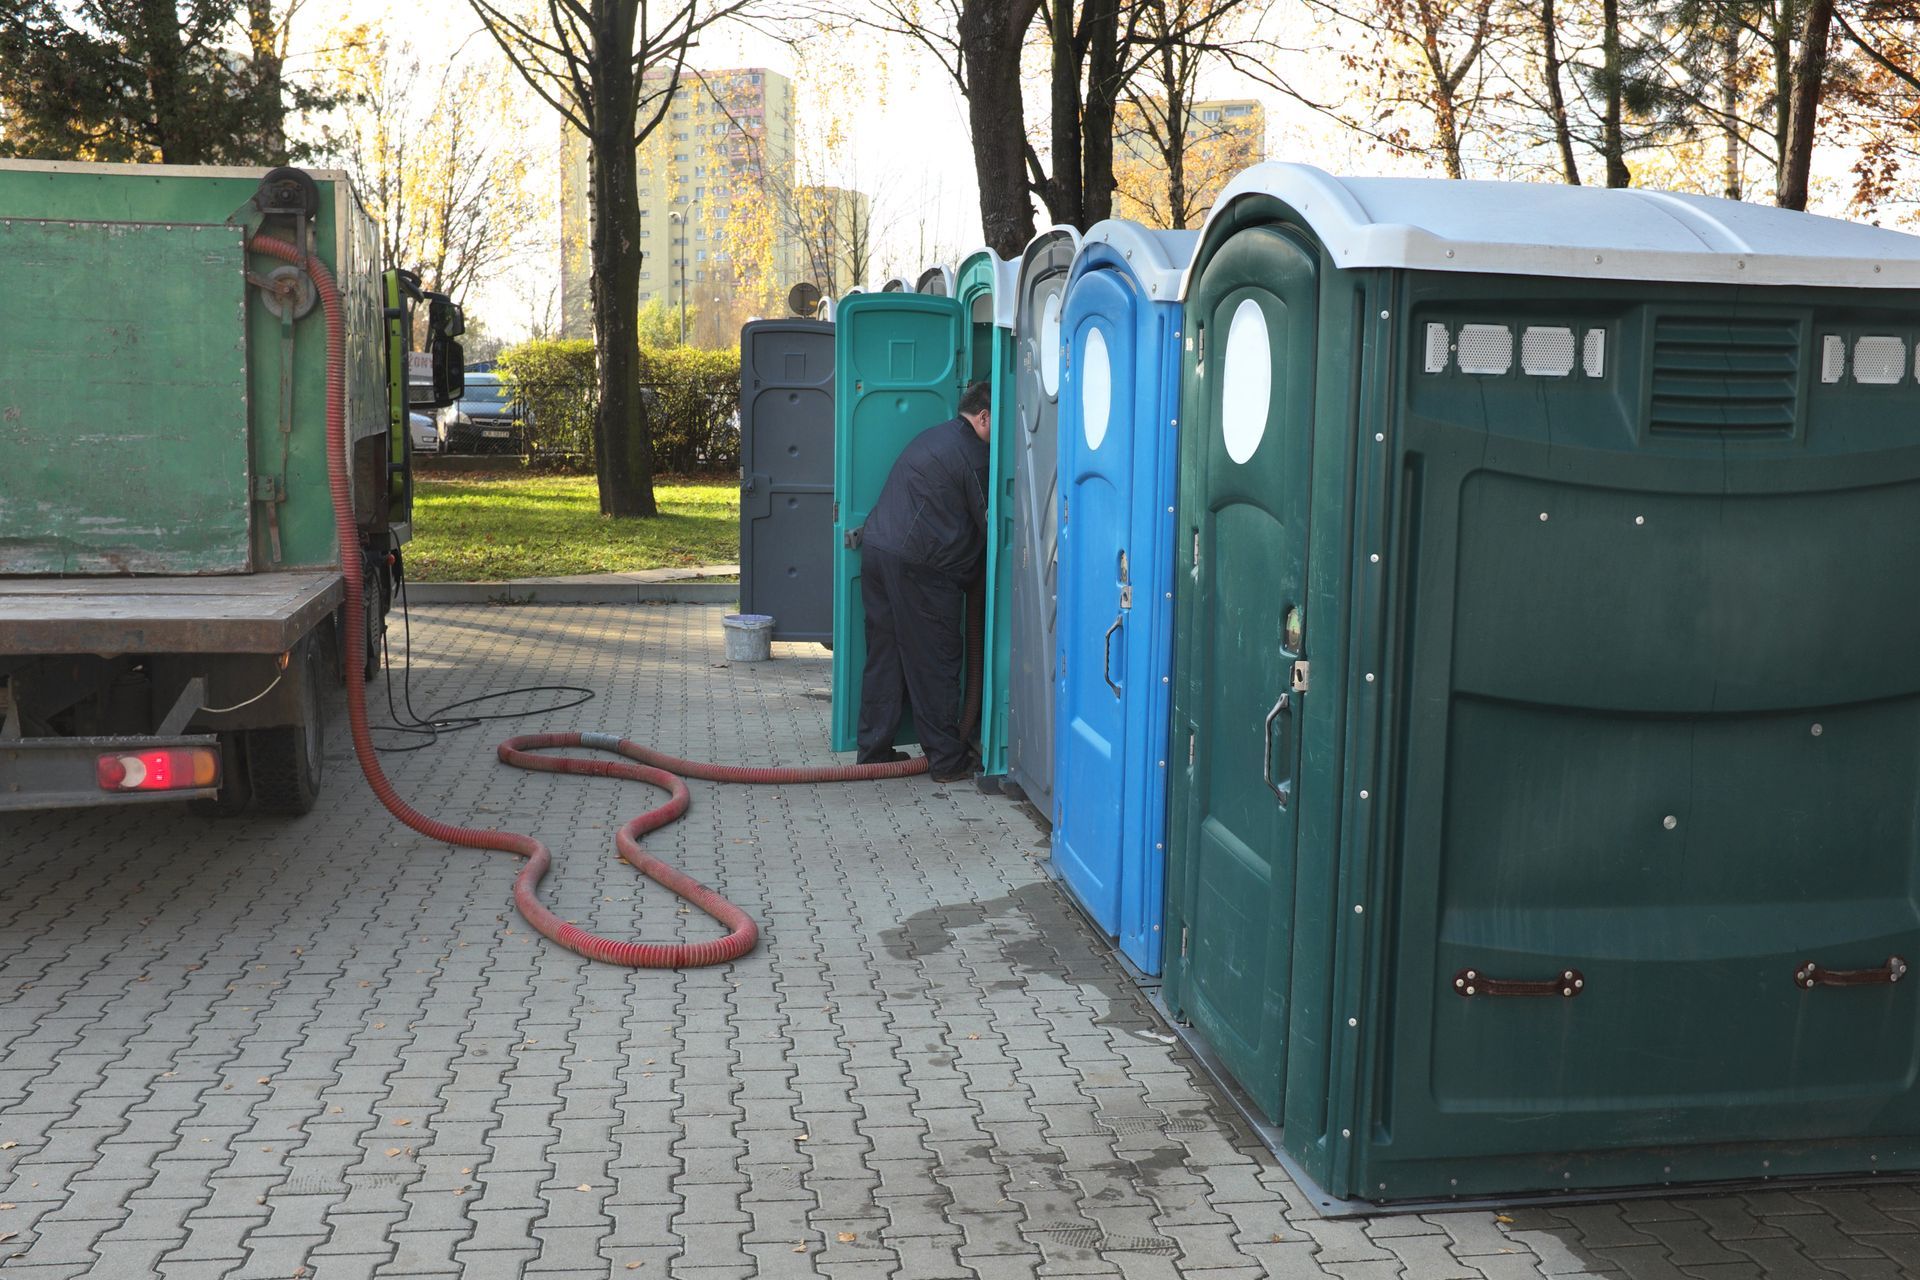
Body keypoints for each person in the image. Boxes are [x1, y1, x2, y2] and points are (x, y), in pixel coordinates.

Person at [856, 380, 993, 783]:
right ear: (984, 417)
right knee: (935, 660)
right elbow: (992, 525)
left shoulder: (936, 435)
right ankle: (947, 762)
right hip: (921, 567)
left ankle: (874, 751)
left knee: (886, 654)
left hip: (879, 551)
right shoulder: (975, 453)